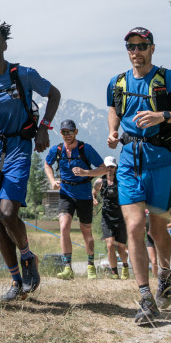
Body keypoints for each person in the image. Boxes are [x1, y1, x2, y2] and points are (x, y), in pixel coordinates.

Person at [107, 26, 171, 324]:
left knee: (158, 231)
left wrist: (163, 115)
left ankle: (164, 272)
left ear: (152, 48)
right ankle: (146, 299)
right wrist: (112, 131)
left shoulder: (170, 78)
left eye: (141, 45)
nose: (136, 51)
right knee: (135, 226)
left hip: (160, 162)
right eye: (131, 46)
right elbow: (113, 108)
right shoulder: (117, 82)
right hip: (128, 163)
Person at [0, 19, 61, 301]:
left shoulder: (23, 75)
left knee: (8, 212)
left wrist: (44, 127)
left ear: (4, 45)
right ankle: (16, 282)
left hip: (18, 146)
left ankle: (28, 257)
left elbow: (53, 94)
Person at [43, 119, 105, 279]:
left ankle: (90, 265)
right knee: (64, 227)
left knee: (86, 232)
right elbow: (47, 164)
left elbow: (103, 168)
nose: (67, 135)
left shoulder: (86, 149)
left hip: (84, 195)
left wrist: (86, 173)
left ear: (76, 132)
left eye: (70, 131)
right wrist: (52, 181)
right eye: (64, 132)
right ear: (60, 133)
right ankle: (67, 267)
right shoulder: (57, 150)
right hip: (65, 193)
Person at [76, 155, 130, 279]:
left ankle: (125, 266)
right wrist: (94, 199)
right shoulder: (99, 182)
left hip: (121, 217)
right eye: (107, 167)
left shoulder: (121, 181)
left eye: (112, 167)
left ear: (116, 168)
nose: (109, 169)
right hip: (107, 217)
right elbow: (93, 194)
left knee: (121, 248)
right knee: (110, 245)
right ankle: (114, 272)